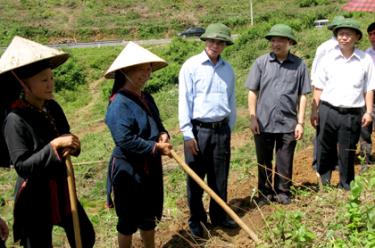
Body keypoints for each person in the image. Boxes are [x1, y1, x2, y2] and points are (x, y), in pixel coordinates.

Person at [0, 36, 95, 247]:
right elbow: (23, 166)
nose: (51, 84)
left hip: (62, 185)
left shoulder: (53, 107)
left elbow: (66, 137)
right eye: (44, 80)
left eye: (52, 78)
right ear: (24, 84)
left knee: (85, 237)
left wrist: (73, 145)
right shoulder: (15, 120)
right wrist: (53, 147)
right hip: (35, 196)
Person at [104, 41, 172, 248]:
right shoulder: (119, 103)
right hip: (128, 169)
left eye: (148, 68)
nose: (146, 73)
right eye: (140, 69)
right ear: (125, 72)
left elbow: (158, 125)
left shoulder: (147, 97)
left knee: (148, 215)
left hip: (150, 165)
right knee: (127, 219)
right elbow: (124, 139)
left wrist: (163, 135)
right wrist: (154, 148)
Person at [178, 23, 237, 237]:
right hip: (198, 131)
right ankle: (197, 220)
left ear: (224, 45)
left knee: (219, 177)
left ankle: (219, 216)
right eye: (212, 41)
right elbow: (184, 100)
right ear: (205, 41)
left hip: (221, 130)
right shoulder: (191, 66)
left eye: (220, 42)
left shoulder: (228, 69)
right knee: (196, 179)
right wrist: (187, 132)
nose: (215, 45)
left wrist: (228, 129)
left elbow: (231, 100)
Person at [246, 24, 311, 205]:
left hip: (288, 122)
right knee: (264, 159)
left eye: (281, 40)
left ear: (289, 42)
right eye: (273, 40)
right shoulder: (261, 63)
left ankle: (283, 191)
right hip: (263, 122)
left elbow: (302, 95)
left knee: (285, 159)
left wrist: (300, 122)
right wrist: (253, 117)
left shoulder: (299, 65)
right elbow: (253, 91)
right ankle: (265, 193)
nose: (276, 44)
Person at [310, 19, 375, 190]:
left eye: (348, 34)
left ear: (356, 37)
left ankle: (345, 184)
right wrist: (314, 111)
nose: (344, 37)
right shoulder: (327, 58)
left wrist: (368, 112)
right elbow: (318, 86)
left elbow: (369, 88)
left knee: (347, 150)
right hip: (328, 109)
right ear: (336, 37)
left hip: (353, 112)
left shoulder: (365, 59)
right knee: (325, 147)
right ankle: (324, 183)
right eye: (340, 34)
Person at [310, 16, 345, 172]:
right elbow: (315, 73)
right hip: (324, 94)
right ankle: (318, 162)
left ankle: (336, 161)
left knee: (338, 131)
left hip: (341, 95)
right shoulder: (325, 48)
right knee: (322, 131)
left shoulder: (347, 48)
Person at [359, 21, 375, 170]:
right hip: (370, 96)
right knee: (365, 129)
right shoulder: (366, 54)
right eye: (370, 34)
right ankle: (366, 161)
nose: (373, 37)